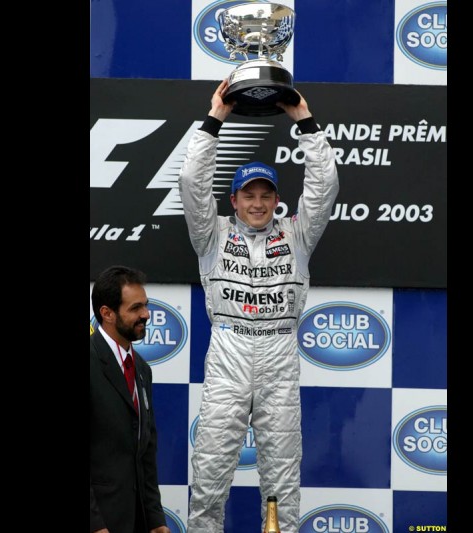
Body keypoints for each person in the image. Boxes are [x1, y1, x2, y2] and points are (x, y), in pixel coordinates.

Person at [178, 79, 340, 533]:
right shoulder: (211, 235)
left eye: (265, 195)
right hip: (229, 350)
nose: (257, 203)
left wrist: (304, 120)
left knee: (283, 478)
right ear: (233, 201)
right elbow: (191, 182)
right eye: (248, 195)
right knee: (209, 474)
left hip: (278, 353)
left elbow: (325, 185)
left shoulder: (297, 234)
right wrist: (216, 117)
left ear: (276, 200)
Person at [90, 266, 171, 533]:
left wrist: (156, 520)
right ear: (107, 313)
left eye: (145, 306)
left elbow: (145, 453)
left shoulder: (142, 369)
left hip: (137, 522)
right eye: (136, 308)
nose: (146, 315)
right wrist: (95, 524)